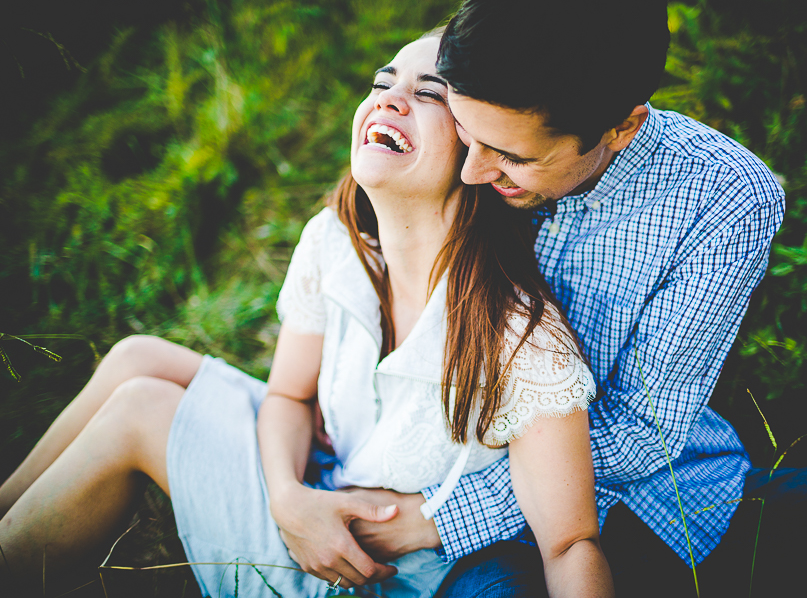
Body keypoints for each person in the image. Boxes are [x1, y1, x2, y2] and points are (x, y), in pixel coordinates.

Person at [0, 34, 614, 597]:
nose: (390, 100)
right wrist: (289, 499)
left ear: (480, 151)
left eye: (428, 94)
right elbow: (288, 396)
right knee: (140, 355)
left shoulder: (522, 340)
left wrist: (303, 508)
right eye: (382, 83)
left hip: (365, 570)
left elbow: (568, 544)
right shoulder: (335, 243)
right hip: (314, 491)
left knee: (140, 409)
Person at [338, 0, 807, 597]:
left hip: (668, 500)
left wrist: (433, 518)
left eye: (513, 157)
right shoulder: (456, 137)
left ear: (621, 128)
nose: (473, 171)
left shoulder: (721, 197)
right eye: (467, 135)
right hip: (494, 548)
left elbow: (643, 429)